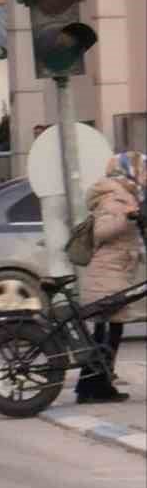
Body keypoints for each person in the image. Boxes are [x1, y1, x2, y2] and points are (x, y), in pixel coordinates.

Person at [75, 158, 146, 405]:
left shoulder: (124, 195)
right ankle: (90, 388)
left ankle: (98, 385)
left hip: (115, 272)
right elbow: (102, 231)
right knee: (105, 333)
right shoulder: (115, 197)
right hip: (107, 273)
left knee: (109, 332)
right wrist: (127, 217)